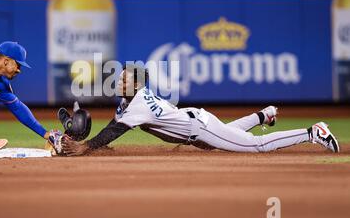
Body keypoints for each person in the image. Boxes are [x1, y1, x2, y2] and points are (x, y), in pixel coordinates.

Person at [61, 64, 340, 156]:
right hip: (198, 123)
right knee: (228, 136)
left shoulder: (139, 104)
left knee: (256, 146)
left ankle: (312, 132)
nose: (119, 81)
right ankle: (263, 115)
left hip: (199, 127)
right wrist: (94, 144)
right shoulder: (130, 101)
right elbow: (116, 123)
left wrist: (87, 147)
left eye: (124, 79)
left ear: (136, 84)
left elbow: (114, 130)